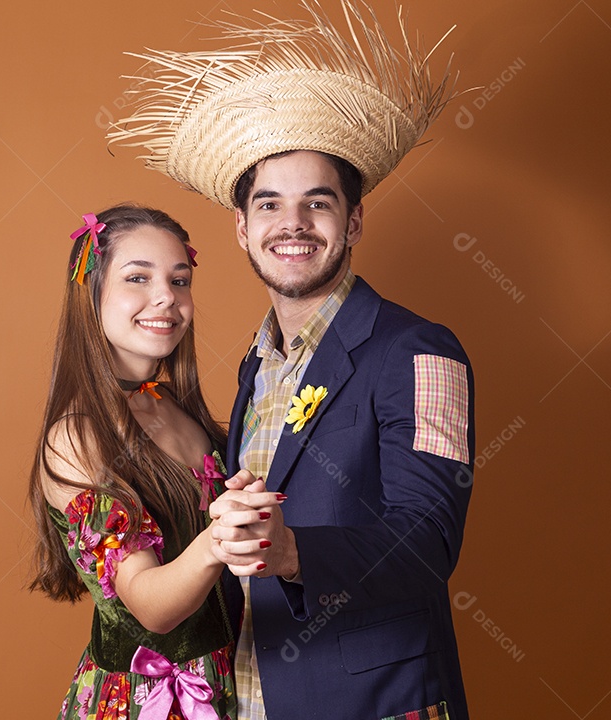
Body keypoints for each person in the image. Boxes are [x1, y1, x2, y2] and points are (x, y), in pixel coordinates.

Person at [110, 3, 475, 719]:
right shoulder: (256, 365)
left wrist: (296, 552)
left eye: (318, 203)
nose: (294, 226)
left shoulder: (421, 352)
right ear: (242, 231)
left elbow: (428, 543)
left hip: (378, 704)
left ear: (355, 220)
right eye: (271, 206)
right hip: (259, 696)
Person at [27, 204, 281, 720]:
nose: (166, 296)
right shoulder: (75, 438)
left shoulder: (173, 406)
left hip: (232, 682)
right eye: (137, 278)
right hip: (146, 703)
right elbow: (151, 607)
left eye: (179, 280)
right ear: (91, 292)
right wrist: (219, 538)